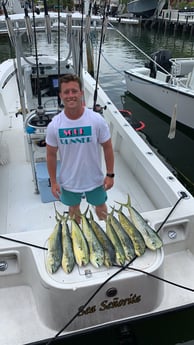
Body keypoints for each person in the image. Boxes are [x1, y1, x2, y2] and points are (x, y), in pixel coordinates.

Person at [46, 74, 114, 223]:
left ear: (81, 93)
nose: (70, 95)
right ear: (61, 95)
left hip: (95, 179)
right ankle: (80, 238)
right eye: (66, 92)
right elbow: (51, 155)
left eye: (74, 91)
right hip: (69, 181)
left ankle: (105, 231)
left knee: (101, 206)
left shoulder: (96, 120)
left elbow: (108, 147)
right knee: (74, 209)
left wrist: (110, 174)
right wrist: (53, 181)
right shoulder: (54, 125)